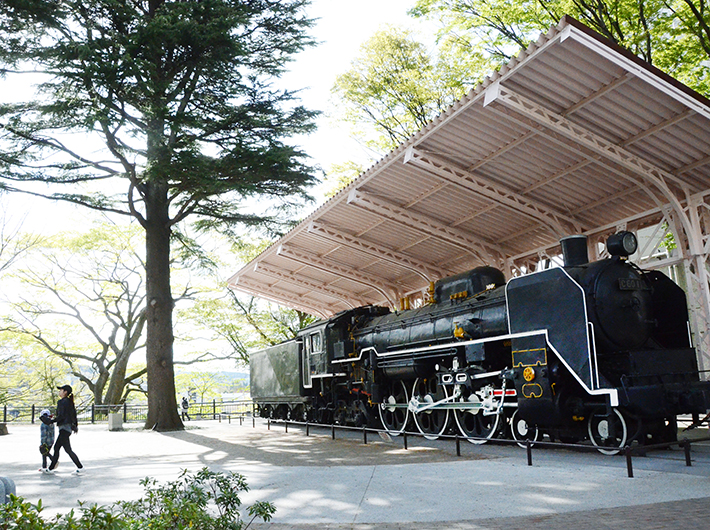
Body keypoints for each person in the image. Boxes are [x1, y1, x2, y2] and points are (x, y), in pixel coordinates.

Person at [46, 384, 83, 474]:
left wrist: (51, 421)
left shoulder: (62, 402)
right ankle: (51, 468)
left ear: (65, 392)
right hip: (68, 428)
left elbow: (61, 416)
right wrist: (75, 425)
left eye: (61, 390)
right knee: (62, 448)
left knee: (62, 448)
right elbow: (73, 415)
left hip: (64, 428)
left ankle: (80, 467)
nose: (59, 392)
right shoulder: (70, 402)